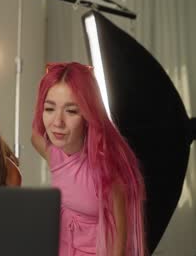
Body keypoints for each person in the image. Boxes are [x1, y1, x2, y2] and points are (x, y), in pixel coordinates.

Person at [31, 62, 146, 255]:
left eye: (71, 111)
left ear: (88, 115)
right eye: (50, 109)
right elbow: (34, 137)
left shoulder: (106, 169)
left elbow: (119, 237)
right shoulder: (55, 154)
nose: (57, 122)